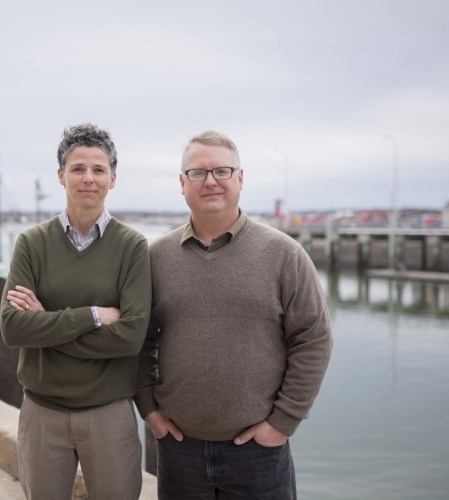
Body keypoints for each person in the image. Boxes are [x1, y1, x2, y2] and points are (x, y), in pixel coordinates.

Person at [135, 130, 333, 499]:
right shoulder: (154, 258)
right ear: (182, 184)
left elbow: (314, 338)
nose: (210, 181)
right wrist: (148, 408)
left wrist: (282, 423)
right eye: (198, 173)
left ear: (240, 179)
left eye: (222, 171)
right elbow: (140, 339)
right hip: (178, 450)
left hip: (259, 452)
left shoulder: (283, 254)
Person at [0, 123, 152, 500]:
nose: (88, 178)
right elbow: (13, 328)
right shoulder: (32, 244)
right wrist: (93, 316)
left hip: (109, 412)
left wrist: (47, 329)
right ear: (60, 175)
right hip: (42, 412)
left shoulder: (132, 247)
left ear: (112, 179)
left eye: (98, 170)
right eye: (78, 168)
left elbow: (131, 337)